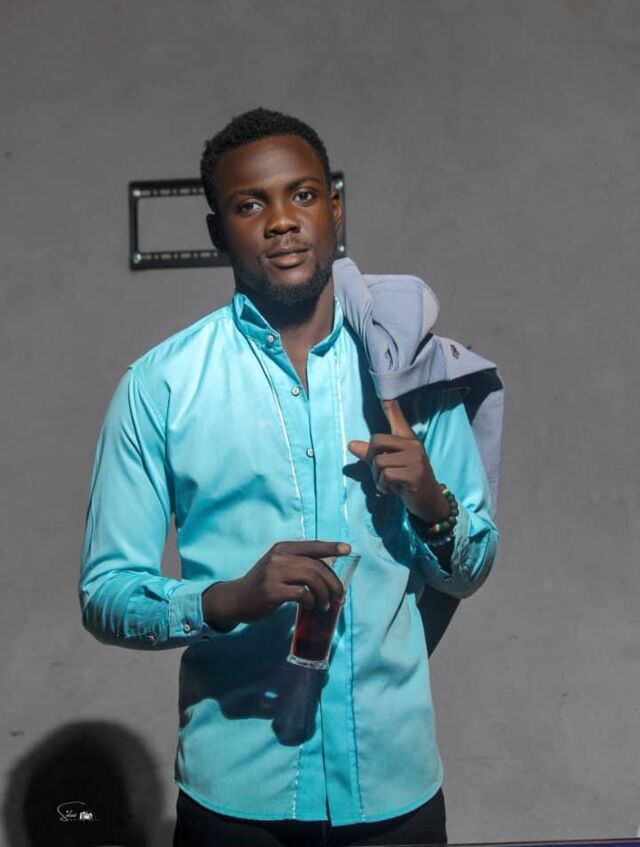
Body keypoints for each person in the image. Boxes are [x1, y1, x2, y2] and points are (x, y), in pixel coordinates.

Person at [79, 107, 499, 847]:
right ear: (219, 232)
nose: (281, 221)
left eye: (302, 195)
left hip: (395, 790)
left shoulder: (408, 369)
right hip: (237, 799)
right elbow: (105, 592)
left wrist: (432, 503)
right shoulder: (161, 386)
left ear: (334, 208)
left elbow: (471, 570)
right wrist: (226, 600)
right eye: (250, 205)